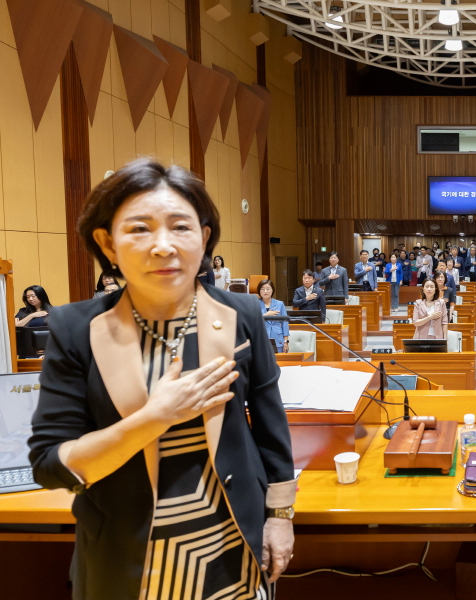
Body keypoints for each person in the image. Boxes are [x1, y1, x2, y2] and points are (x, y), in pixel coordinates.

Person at [27, 159, 294, 600]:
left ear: (204, 238)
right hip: (130, 566)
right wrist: (156, 417)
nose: (163, 245)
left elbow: (270, 429)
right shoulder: (74, 329)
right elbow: (51, 464)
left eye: (180, 227)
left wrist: (280, 516)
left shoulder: (241, 315)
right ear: (107, 243)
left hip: (234, 554)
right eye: (139, 229)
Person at [258, 278, 289, 352]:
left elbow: (285, 324)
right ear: (259, 291)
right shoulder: (255, 304)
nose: (265, 291)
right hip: (261, 339)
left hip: (278, 338)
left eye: (268, 289)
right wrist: (265, 315)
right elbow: (252, 322)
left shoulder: (280, 304)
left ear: (272, 290)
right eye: (262, 289)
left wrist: (286, 341)